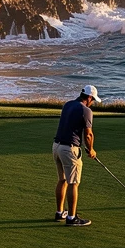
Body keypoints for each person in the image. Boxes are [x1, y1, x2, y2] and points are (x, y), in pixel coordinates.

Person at [52, 84, 101, 226]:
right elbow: (89, 134)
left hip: (57, 146)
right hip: (69, 149)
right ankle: (72, 218)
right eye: (93, 100)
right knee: (73, 183)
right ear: (89, 97)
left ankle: (60, 213)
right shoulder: (86, 110)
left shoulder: (68, 104)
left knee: (62, 180)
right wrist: (91, 149)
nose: (93, 103)